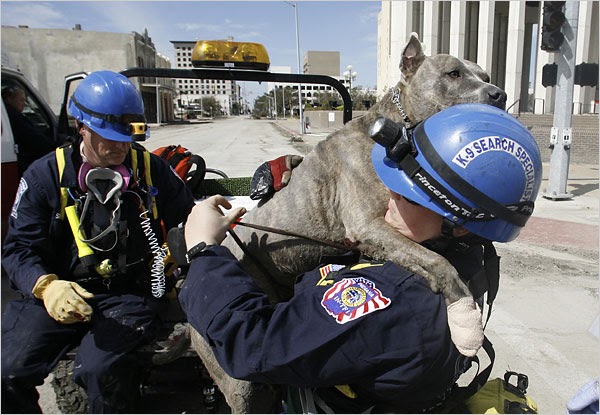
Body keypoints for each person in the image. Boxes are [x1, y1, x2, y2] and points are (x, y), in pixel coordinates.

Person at [178, 103, 543, 413]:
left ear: (459, 226)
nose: (390, 197)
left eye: (411, 197)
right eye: (393, 182)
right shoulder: (472, 257)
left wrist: (203, 250)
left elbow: (250, 346)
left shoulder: (386, 296)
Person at [1, 70, 196, 413]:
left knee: (100, 371)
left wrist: (178, 252)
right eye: (110, 138)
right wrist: (46, 286)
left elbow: (188, 217)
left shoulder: (150, 170)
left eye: (128, 137)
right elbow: (17, 248)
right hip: (58, 293)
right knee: (8, 370)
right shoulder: (43, 176)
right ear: (82, 127)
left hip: (127, 296)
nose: (122, 147)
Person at [2, 85, 57, 175]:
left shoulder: (8, 115)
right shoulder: (14, 117)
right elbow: (34, 139)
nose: (25, 104)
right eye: (21, 100)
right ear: (8, 99)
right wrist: (54, 147)